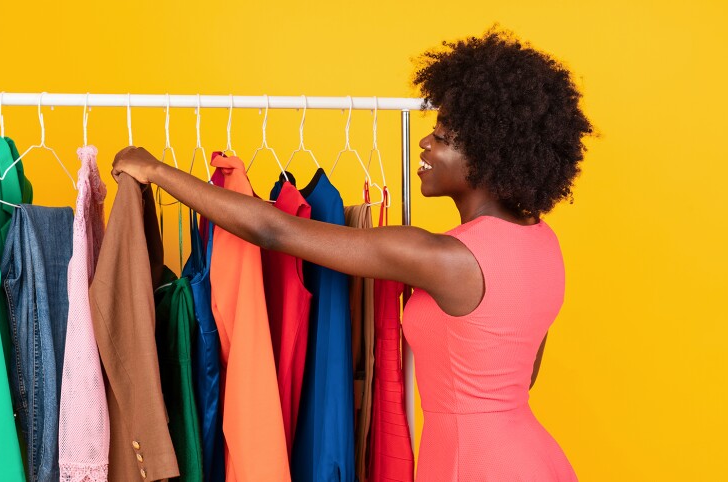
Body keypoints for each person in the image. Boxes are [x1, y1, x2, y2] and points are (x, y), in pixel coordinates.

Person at [113, 27, 591, 482]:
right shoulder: (541, 240)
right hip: (532, 456)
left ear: (489, 155)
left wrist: (156, 170)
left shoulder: (442, 257)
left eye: (443, 137)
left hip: (473, 463)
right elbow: (519, 375)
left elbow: (274, 229)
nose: (425, 142)